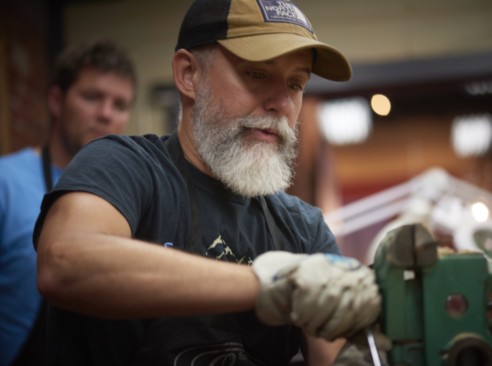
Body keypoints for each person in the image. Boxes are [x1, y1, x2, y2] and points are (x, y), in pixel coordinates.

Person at [33, 1, 381, 365]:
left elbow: (335, 357)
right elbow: (65, 261)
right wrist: (272, 285)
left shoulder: (303, 228)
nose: (281, 103)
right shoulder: (122, 166)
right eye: (257, 74)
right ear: (188, 75)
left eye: (295, 84)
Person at [0, 40, 136, 366]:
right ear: (56, 101)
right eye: (92, 97)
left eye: (119, 104)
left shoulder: (132, 195)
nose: (105, 113)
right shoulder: (6, 182)